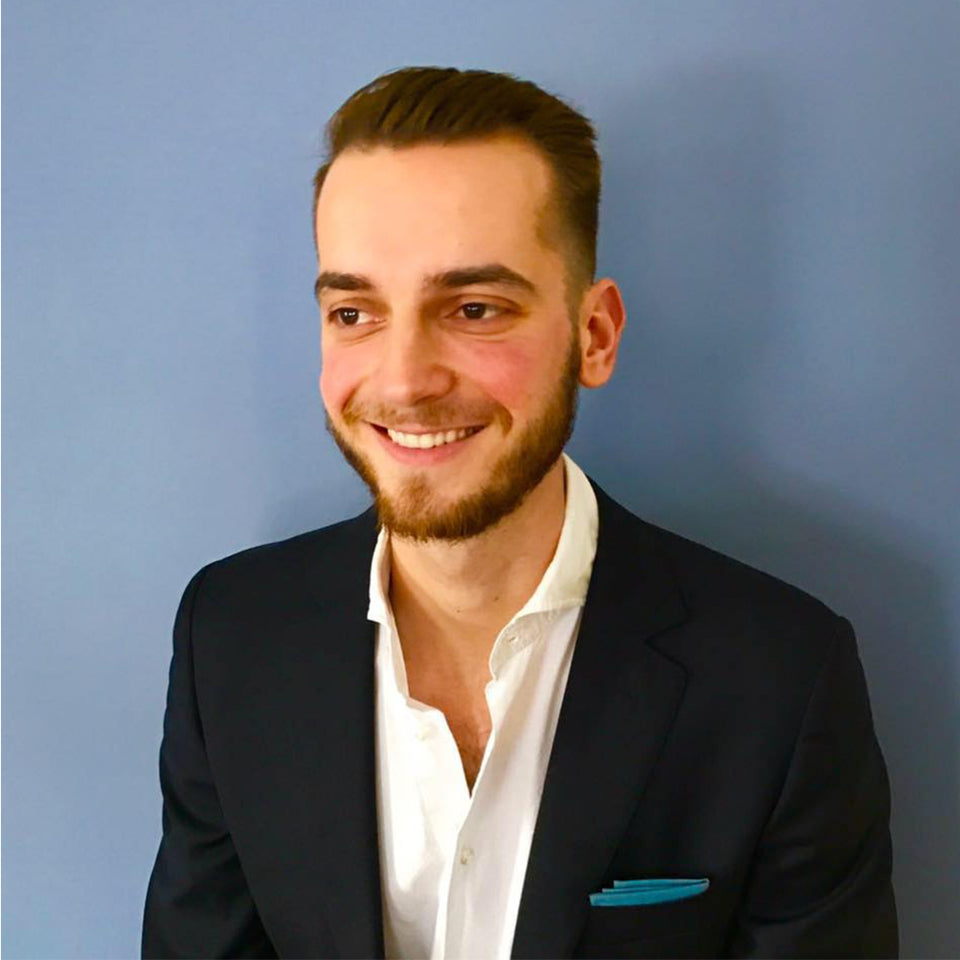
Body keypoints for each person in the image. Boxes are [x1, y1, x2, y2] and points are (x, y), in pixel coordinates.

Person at [142, 66, 897, 959]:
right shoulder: (229, 637)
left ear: (594, 335)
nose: (403, 380)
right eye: (354, 312)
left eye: (473, 308)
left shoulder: (781, 678)